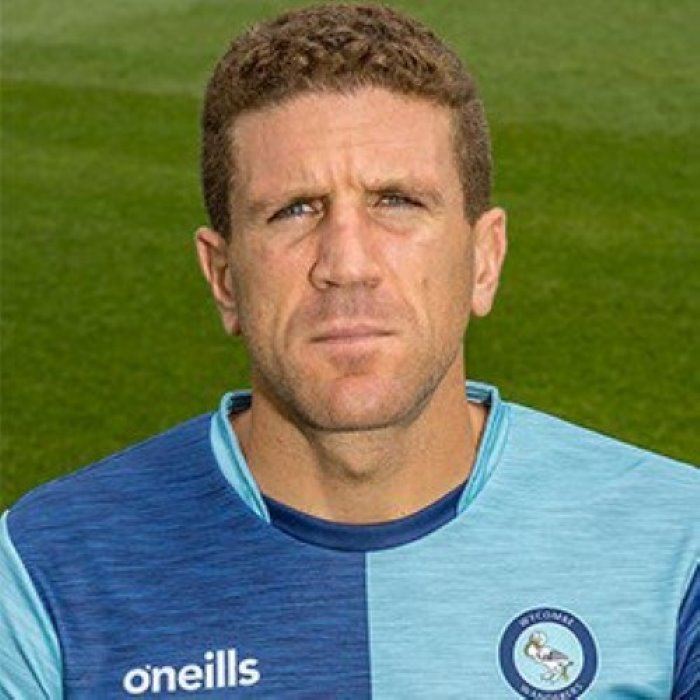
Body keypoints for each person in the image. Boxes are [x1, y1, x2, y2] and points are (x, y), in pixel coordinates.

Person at [1, 3, 697, 698]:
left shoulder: (679, 547)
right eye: (294, 209)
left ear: (485, 260)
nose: (347, 263)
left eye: (396, 201)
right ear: (224, 279)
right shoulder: (42, 573)